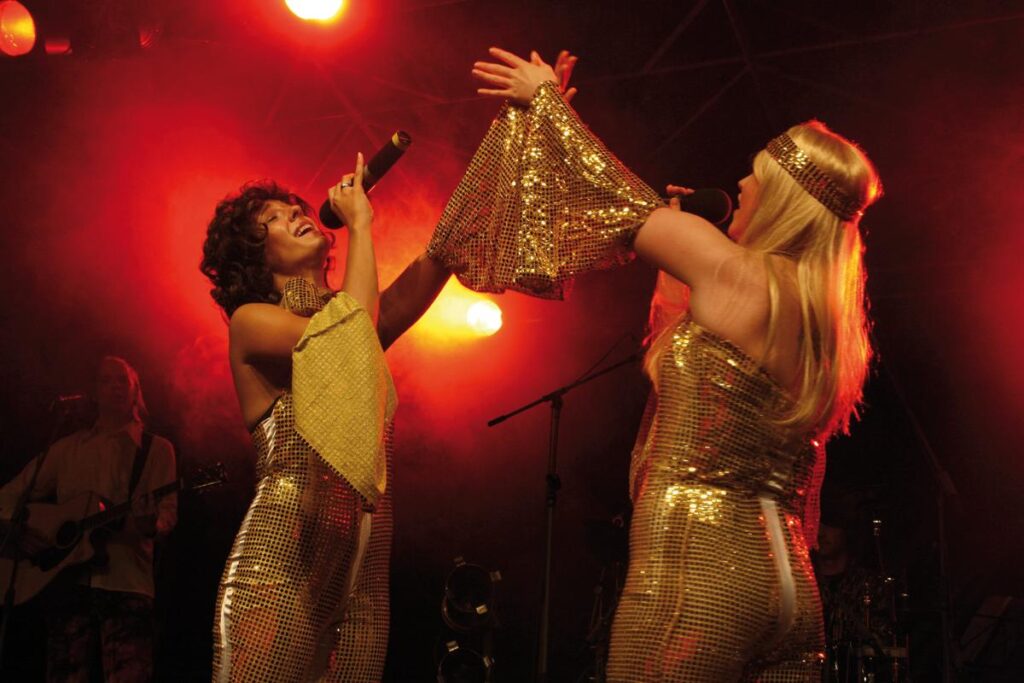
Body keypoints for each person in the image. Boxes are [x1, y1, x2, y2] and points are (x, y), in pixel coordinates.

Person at [426, 47, 882, 680]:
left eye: (756, 175)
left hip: (702, 572)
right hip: (792, 594)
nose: (742, 184)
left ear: (783, 198)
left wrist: (546, 104)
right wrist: (674, 263)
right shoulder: (825, 326)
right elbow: (683, 383)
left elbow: (613, 196)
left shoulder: (731, 269)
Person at [199, 156, 450, 681]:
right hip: (280, 562)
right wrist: (360, 224)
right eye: (272, 218)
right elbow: (351, 335)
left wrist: (514, 147)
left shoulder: (352, 313)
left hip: (363, 577)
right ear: (254, 256)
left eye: (294, 208)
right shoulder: (252, 321)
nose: (294, 214)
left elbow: (437, 259)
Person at [0, 356, 178, 682]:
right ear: (94, 391)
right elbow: (9, 496)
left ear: (136, 390)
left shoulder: (156, 449)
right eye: (106, 380)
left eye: (122, 380)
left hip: (127, 585)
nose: (115, 387)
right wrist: (17, 531)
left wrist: (149, 523)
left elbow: (167, 514)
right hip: (66, 585)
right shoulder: (66, 449)